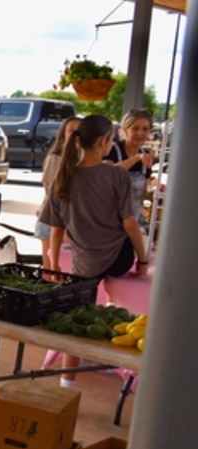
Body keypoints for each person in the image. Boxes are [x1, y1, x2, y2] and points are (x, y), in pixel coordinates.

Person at [40, 115, 150, 387]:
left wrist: (54, 266)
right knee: (116, 314)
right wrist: (144, 260)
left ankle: (67, 382)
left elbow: (56, 232)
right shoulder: (116, 174)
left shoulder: (63, 179)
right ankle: (118, 365)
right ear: (104, 142)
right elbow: (130, 224)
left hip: (83, 265)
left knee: (79, 316)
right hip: (119, 260)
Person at [35, 116, 81, 268]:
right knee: (51, 271)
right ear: (63, 134)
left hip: (73, 221)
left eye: (80, 132)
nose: (76, 135)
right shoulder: (55, 159)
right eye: (71, 131)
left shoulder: (85, 160)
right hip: (53, 219)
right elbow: (53, 194)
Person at [105, 109, 156, 231]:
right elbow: (108, 173)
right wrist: (137, 158)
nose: (140, 133)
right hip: (108, 220)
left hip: (132, 221)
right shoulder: (112, 149)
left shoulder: (146, 155)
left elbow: (142, 192)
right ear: (125, 129)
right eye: (135, 128)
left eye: (145, 129)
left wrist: (152, 194)